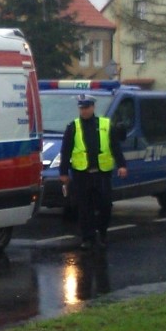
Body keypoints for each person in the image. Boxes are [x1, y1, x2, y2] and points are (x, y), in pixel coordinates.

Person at [58, 94, 128, 250]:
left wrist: (122, 165)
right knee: (84, 208)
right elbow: (66, 150)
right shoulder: (73, 127)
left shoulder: (105, 124)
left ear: (93, 107)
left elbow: (115, 146)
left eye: (87, 107)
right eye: (82, 108)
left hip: (102, 173)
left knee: (105, 205)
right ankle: (87, 237)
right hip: (81, 173)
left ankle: (102, 232)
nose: (84, 111)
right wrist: (63, 172)